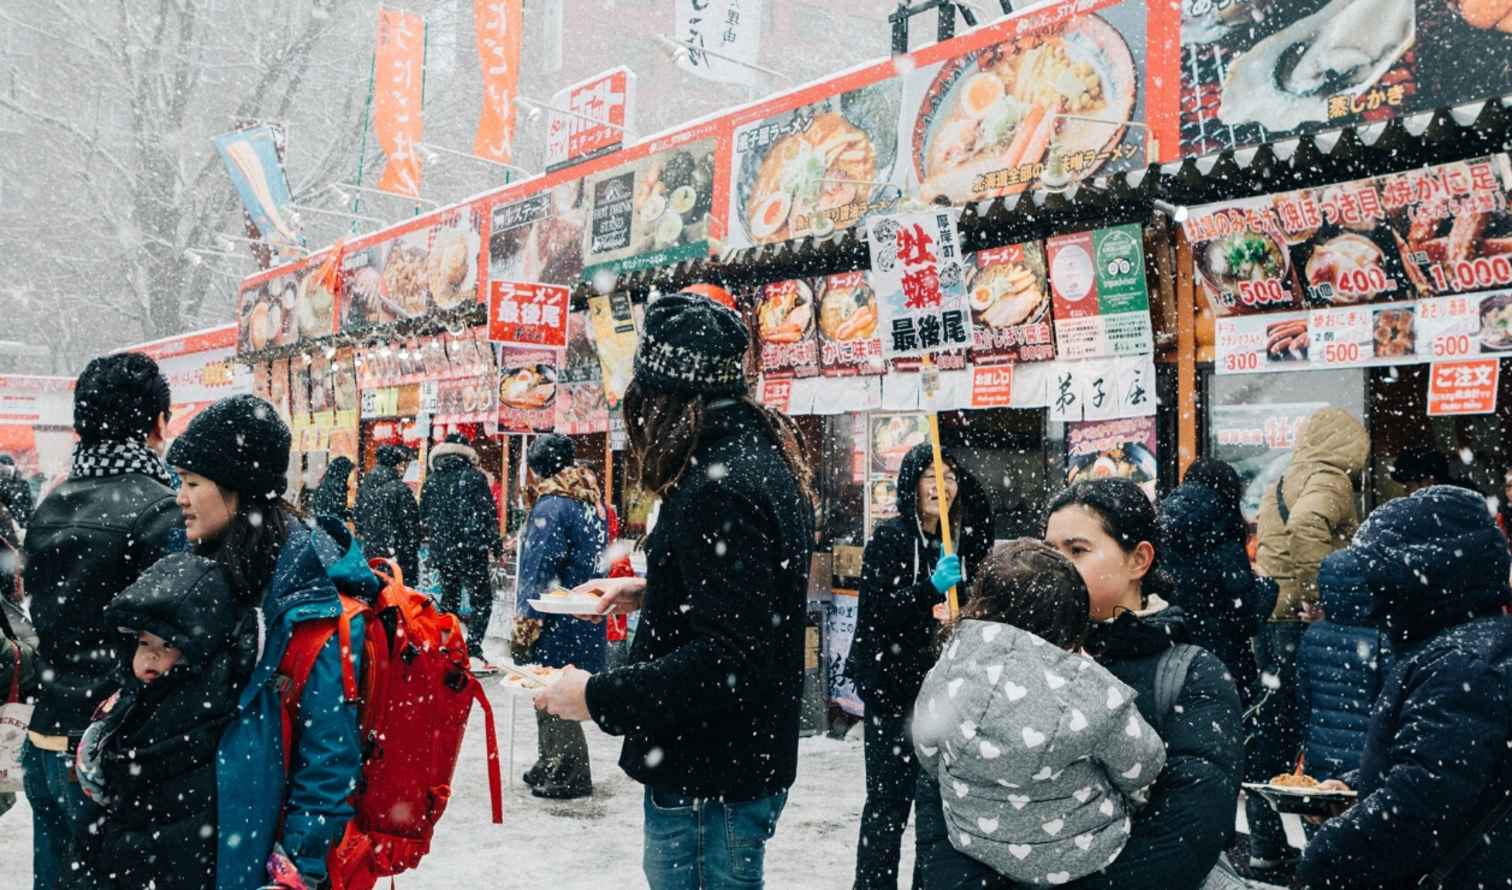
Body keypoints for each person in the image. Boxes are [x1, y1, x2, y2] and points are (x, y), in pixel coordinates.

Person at [535, 293, 816, 889]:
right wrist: (653, 589)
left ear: (664, 397)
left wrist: (595, 696)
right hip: (735, 762)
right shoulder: (752, 457)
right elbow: (745, 600)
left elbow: (728, 659)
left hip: (708, 776)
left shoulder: (721, 483)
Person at [915, 478, 1245, 890]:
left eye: (1077, 550)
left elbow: (1189, 829)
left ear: (1139, 560)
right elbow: (939, 795)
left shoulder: (1191, 674)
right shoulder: (989, 660)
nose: (1055, 566)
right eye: (1048, 551)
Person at [165, 393, 377, 889]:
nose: (179, 496)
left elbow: (328, 761)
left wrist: (295, 871)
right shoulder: (201, 563)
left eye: (193, 483)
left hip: (253, 857)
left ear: (237, 490)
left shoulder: (308, 599)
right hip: (194, 837)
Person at [913, 538, 1166, 885]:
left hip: (974, 844)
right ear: (1072, 622)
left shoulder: (948, 669)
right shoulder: (1093, 690)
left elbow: (927, 750)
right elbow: (1143, 764)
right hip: (1085, 854)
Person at [1295, 485, 1512, 889]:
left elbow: (1419, 805)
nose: (1375, 597)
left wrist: (1325, 858)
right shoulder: (1465, 648)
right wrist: (1357, 787)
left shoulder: (1460, 664)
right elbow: (1443, 770)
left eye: (1379, 577)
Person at [21, 352, 182, 889]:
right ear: (158, 422)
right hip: (109, 749)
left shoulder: (52, 503)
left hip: (46, 737)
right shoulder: (161, 511)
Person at [847, 442, 993, 890]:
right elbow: (877, 611)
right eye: (930, 476)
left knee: (935, 809)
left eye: (949, 476)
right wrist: (929, 589)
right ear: (910, 485)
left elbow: (985, 516)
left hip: (945, 696)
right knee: (888, 807)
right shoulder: (890, 539)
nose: (941, 485)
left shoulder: (961, 541)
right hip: (894, 692)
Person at [72, 553, 257, 890]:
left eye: (168, 645)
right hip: (132, 856)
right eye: (144, 643)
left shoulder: (198, 709)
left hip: (167, 857)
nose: (152, 655)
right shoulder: (127, 701)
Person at [1249, 406, 1366, 876]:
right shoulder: (1328, 479)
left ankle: (1266, 844)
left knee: (1272, 736)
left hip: (1274, 619)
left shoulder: (1287, 475)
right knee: (1320, 734)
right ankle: (1326, 852)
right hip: (1299, 624)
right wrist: (1327, 595)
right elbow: (1306, 526)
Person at [513, 433, 608, 800]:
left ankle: (568, 771)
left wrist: (527, 619)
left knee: (552, 692)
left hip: (554, 615)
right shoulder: (589, 502)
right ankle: (550, 761)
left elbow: (538, 570)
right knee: (555, 691)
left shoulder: (551, 506)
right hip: (581, 613)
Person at [1157, 480, 1275, 710]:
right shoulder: (1226, 548)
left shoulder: (1163, 548)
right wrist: (1267, 586)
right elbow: (1247, 618)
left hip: (1175, 668)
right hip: (1226, 664)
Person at [1294, 550, 1388, 781]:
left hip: (1320, 751)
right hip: (1364, 757)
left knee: (1320, 812)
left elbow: (1304, 698)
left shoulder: (1312, 634)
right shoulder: (1380, 639)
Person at [420, 433, 503, 668]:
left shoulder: (432, 480)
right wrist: (495, 544)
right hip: (471, 549)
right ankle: (474, 647)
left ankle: (448, 645)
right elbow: (488, 514)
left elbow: (423, 514)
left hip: (443, 550)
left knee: (450, 598)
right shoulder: (475, 477)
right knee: (481, 600)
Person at [355, 443, 421, 583]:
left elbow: (359, 519)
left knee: (378, 590)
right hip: (397, 552)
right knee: (399, 594)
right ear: (396, 465)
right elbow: (411, 524)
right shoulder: (399, 489)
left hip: (373, 551)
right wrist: (412, 545)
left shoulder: (365, 487)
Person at [308, 456, 355, 526]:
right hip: (328, 529)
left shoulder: (329, 483)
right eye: (347, 474)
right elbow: (334, 513)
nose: (348, 477)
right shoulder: (334, 487)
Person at [0, 455, 33, 528]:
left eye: (2, 467)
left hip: (21, 524)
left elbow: (29, 506)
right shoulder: (2, 485)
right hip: (8, 526)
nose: (1, 470)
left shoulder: (23, 483)